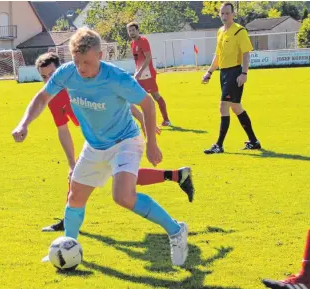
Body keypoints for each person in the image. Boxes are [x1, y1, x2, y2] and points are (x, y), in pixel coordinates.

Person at [12, 27, 189, 266]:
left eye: (86, 62)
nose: (81, 68)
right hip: (95, 146)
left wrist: (151, 144)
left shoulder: (116, 78)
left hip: (124, 141)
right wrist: (24, 124)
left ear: (100, 55)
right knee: (75, 197)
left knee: (123, 197)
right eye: (76, 62)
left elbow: (147, 104)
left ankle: (176, 230)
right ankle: (67, 246)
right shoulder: (67, 73)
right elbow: (42, 97)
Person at [35, 52, 195, 232]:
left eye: (51, 74)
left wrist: (144, 123)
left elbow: (124, 101)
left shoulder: (80, 83)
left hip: (121, 134)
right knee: (111, 177)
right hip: (97, 139)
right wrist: (71, 163)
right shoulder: (53, 98)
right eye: (43, 77)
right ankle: (177, 176)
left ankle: (174, 213)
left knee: (120, 182)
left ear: (60, 70)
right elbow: (62, 131)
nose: (48, 80)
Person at [202, 2, 261, 154]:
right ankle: (254, 142)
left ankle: (219, 145)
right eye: (222, 13)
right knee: (236, 107)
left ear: (233, 14)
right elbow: (218, 55)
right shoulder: (220, 31)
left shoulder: (239, 31)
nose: (224, 16)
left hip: (235, 73)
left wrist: (244, 73)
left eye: (227, 13)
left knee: (223, 106)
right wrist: (209, 72)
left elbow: (246, 53)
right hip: (223, 74)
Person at [127, 22, 171, 127]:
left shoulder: (143, 41)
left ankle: (165, 120)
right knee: (136, 97)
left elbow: (148, 57)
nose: (131, 32)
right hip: (140, 75)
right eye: (129, 30)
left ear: (137, 30)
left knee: (154, 96)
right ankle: (144, 122)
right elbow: (138, 60)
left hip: (147, 75)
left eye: (133, 30)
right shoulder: (132, 43)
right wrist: (137, 72)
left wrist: (140, 72)